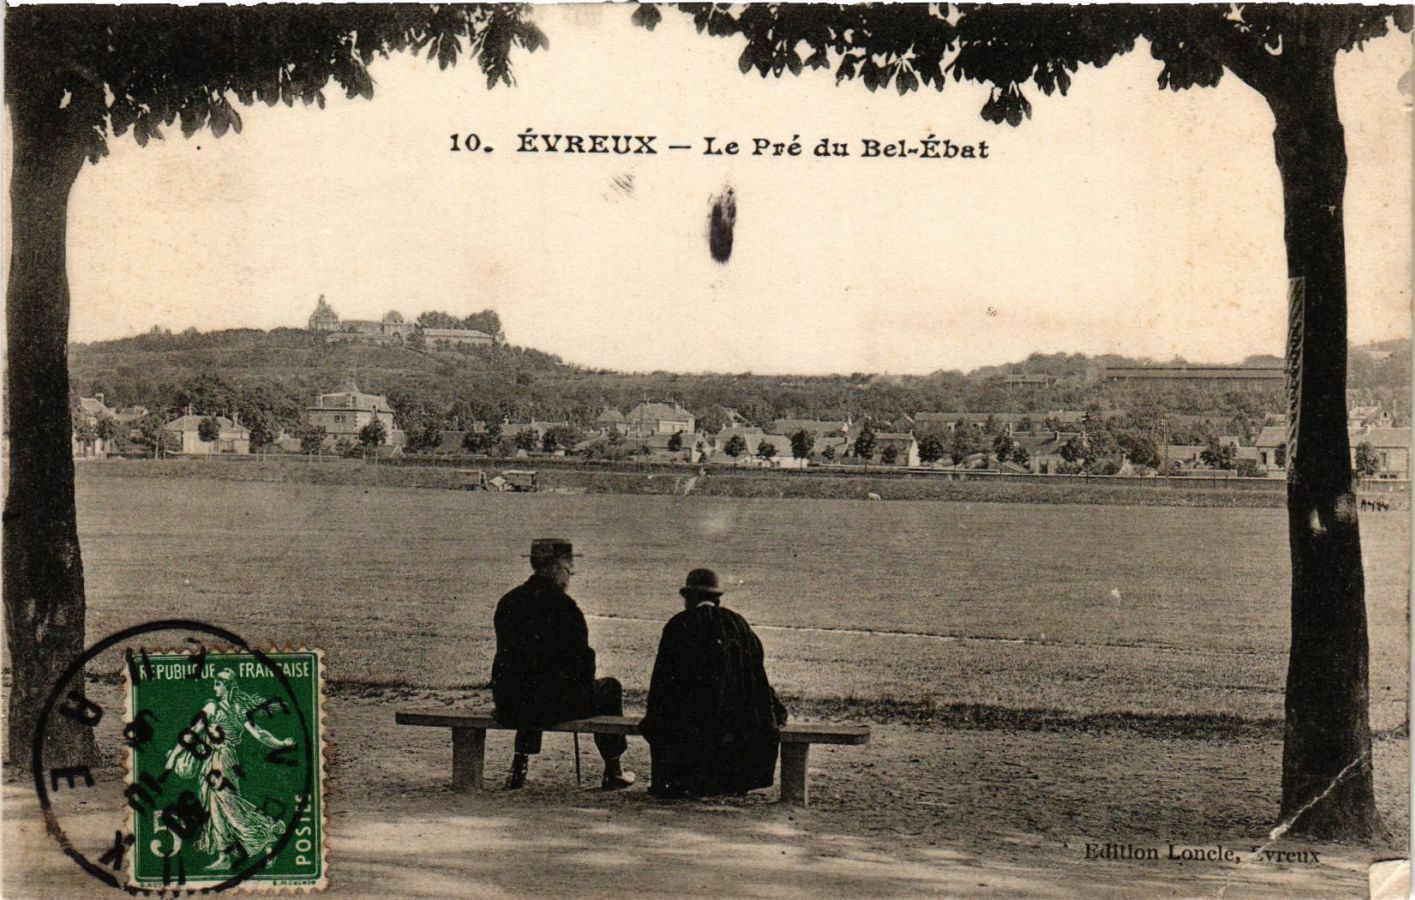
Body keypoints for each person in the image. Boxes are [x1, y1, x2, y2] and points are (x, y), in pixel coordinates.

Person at [491, 538, 635, 790]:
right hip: (551, 705)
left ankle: (519, 765)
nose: (570, 576)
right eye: (569, 569)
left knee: (531, 683)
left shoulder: (508, 601)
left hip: (509, 703)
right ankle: (613, 769)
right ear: (557, 568)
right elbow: (583, 664)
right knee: (610, 687)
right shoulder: (564, 606)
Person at [641, 568, 788, 798]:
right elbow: (756, 676)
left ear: (688, 598)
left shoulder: (678, 625)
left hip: (690, 729)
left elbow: (662, 684)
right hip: (735, 729)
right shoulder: (738, 624)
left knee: (668, 719)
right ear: (717, 599)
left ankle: (679, 779)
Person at [163, 669, 293, 871]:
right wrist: (174, 757)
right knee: (216, 807)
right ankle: (226, 856)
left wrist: (280, 743)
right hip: (213, 761)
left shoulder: (221, 708)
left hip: (222, 761)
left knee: (227, 806)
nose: (214, 687)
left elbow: (259, 733)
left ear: (228, 687)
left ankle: (266, 836)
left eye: (218, 684)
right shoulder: (223, 707)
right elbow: (193, 732)